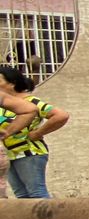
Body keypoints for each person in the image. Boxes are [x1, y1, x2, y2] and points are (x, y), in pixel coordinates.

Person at [0, 65, 69, 199]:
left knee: (36, 193)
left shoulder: (30, 102)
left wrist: (38, 133)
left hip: (28, 152)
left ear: (12, 83)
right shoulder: (5, 104)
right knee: (21, 195)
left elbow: (60, 115)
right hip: (9, 154)